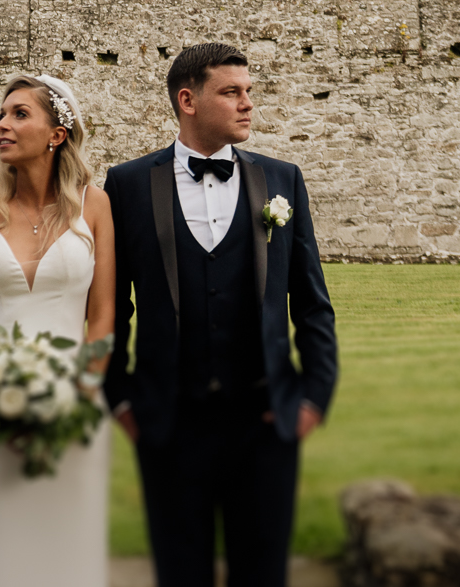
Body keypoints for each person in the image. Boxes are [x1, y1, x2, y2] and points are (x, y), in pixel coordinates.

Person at [103, 43, 340, 587]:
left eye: (248, 92)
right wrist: (119, 399)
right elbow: (113, 307)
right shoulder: (130, 185)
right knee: (179, 572)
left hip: (264, 423)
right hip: (168, 425)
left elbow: (311, 302)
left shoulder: (283, 181)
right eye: (231, 92)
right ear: (188, 100)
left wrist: (313, 397)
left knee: (263, 573)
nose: (247, 104)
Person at [0, 72, 117, 587]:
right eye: (1, 114)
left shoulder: (95, 207)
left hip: (74, 403)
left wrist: (80, 391)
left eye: (20, 114)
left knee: (66, 539)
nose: (2, 124)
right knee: (0, 540)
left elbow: (104, 313)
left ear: (56, 134)